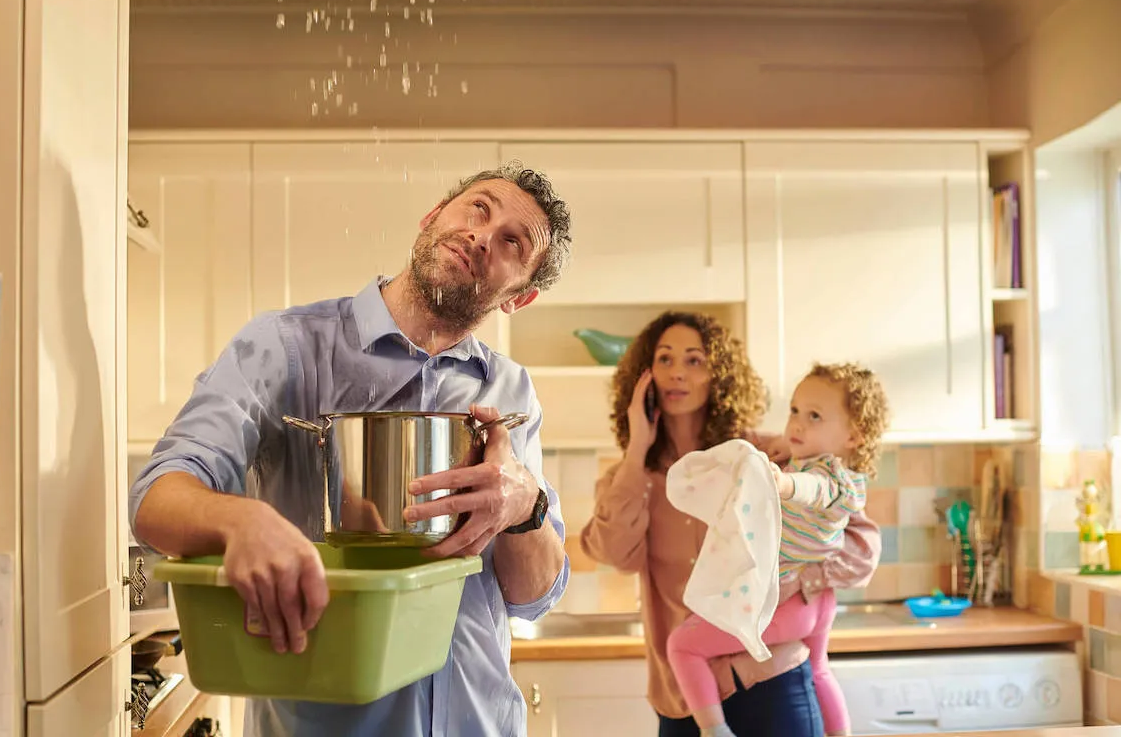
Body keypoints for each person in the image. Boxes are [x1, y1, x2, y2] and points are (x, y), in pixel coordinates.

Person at [130, 160, 574, 737]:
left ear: (521, 297)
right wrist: (242, 521)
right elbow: (155, 499)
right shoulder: (286, 348)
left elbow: (532, 596)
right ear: (433, 215)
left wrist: (527, 506)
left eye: (511, 242)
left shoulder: (510, 391)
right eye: (478, 208)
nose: (481, 236)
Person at [580, 312, 882, 737]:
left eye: (694, 360)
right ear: (643, 377)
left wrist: (800, 577)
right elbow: (613, 555)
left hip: (773, 681)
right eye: (664, 360)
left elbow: (861, 550)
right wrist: (636, 451)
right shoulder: (632, 479)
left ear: (719, 376)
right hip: (685, 698)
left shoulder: (761, 458)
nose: (677, 374)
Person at [666, 362, 889, 737]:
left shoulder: (832, 480)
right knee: (819, 669)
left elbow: (812, 488)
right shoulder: (838, 472)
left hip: (790, 604)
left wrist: (784, 483)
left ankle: (714, 729)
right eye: (795, 411)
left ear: (855, 435)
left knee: (681, 646)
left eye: (815, 416)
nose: (798, 424)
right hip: (815, 602)